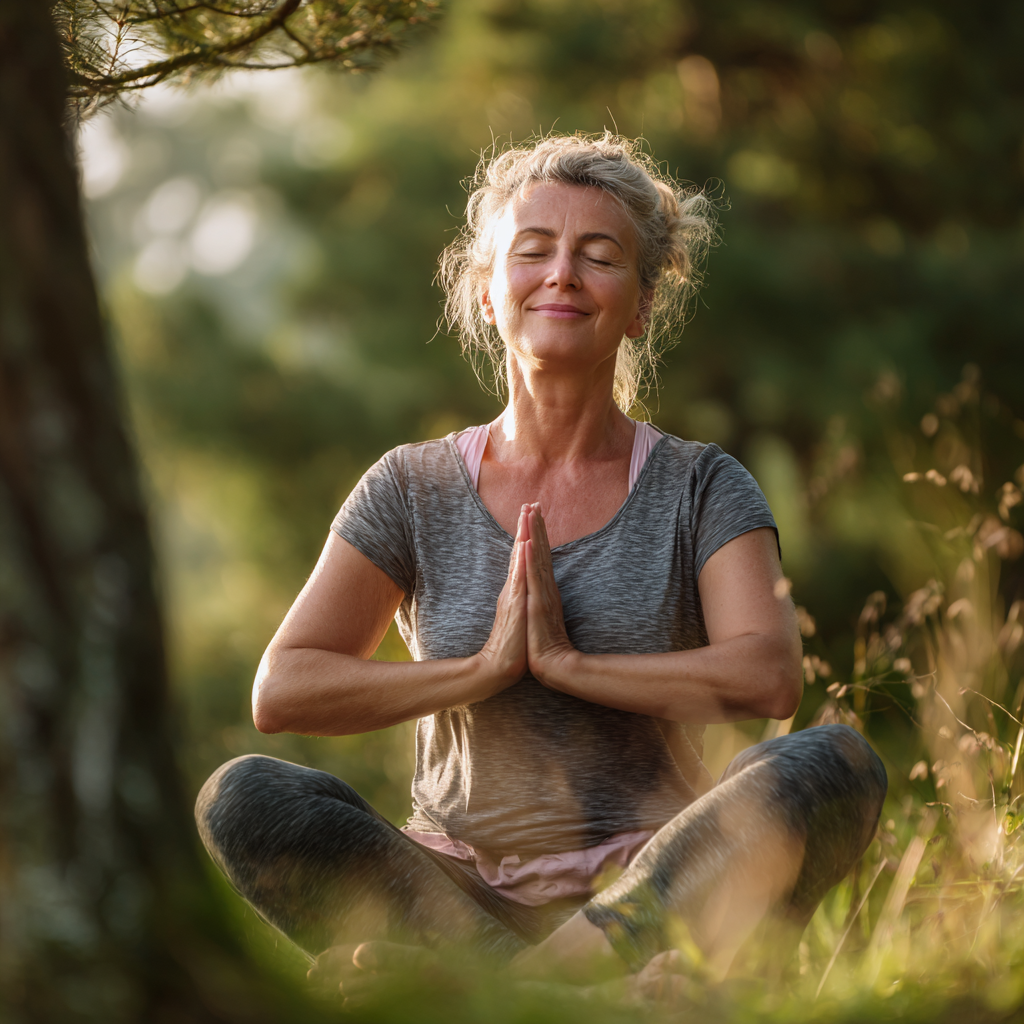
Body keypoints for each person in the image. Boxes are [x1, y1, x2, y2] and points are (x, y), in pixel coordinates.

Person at [195, 134, 887, 997]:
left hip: (651, 889)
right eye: (533, 252)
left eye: (600, 256)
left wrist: (570, 665)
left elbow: (769, 677)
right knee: (244, 797)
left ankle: (503, 996)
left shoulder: (701, 483)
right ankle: (582, 1000)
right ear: (490, 292)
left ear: (639, 306)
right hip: (454, 894)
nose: (562, 274)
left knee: (831, 764)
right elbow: (284, 689)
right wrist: (483, 670)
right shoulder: (410, 485)